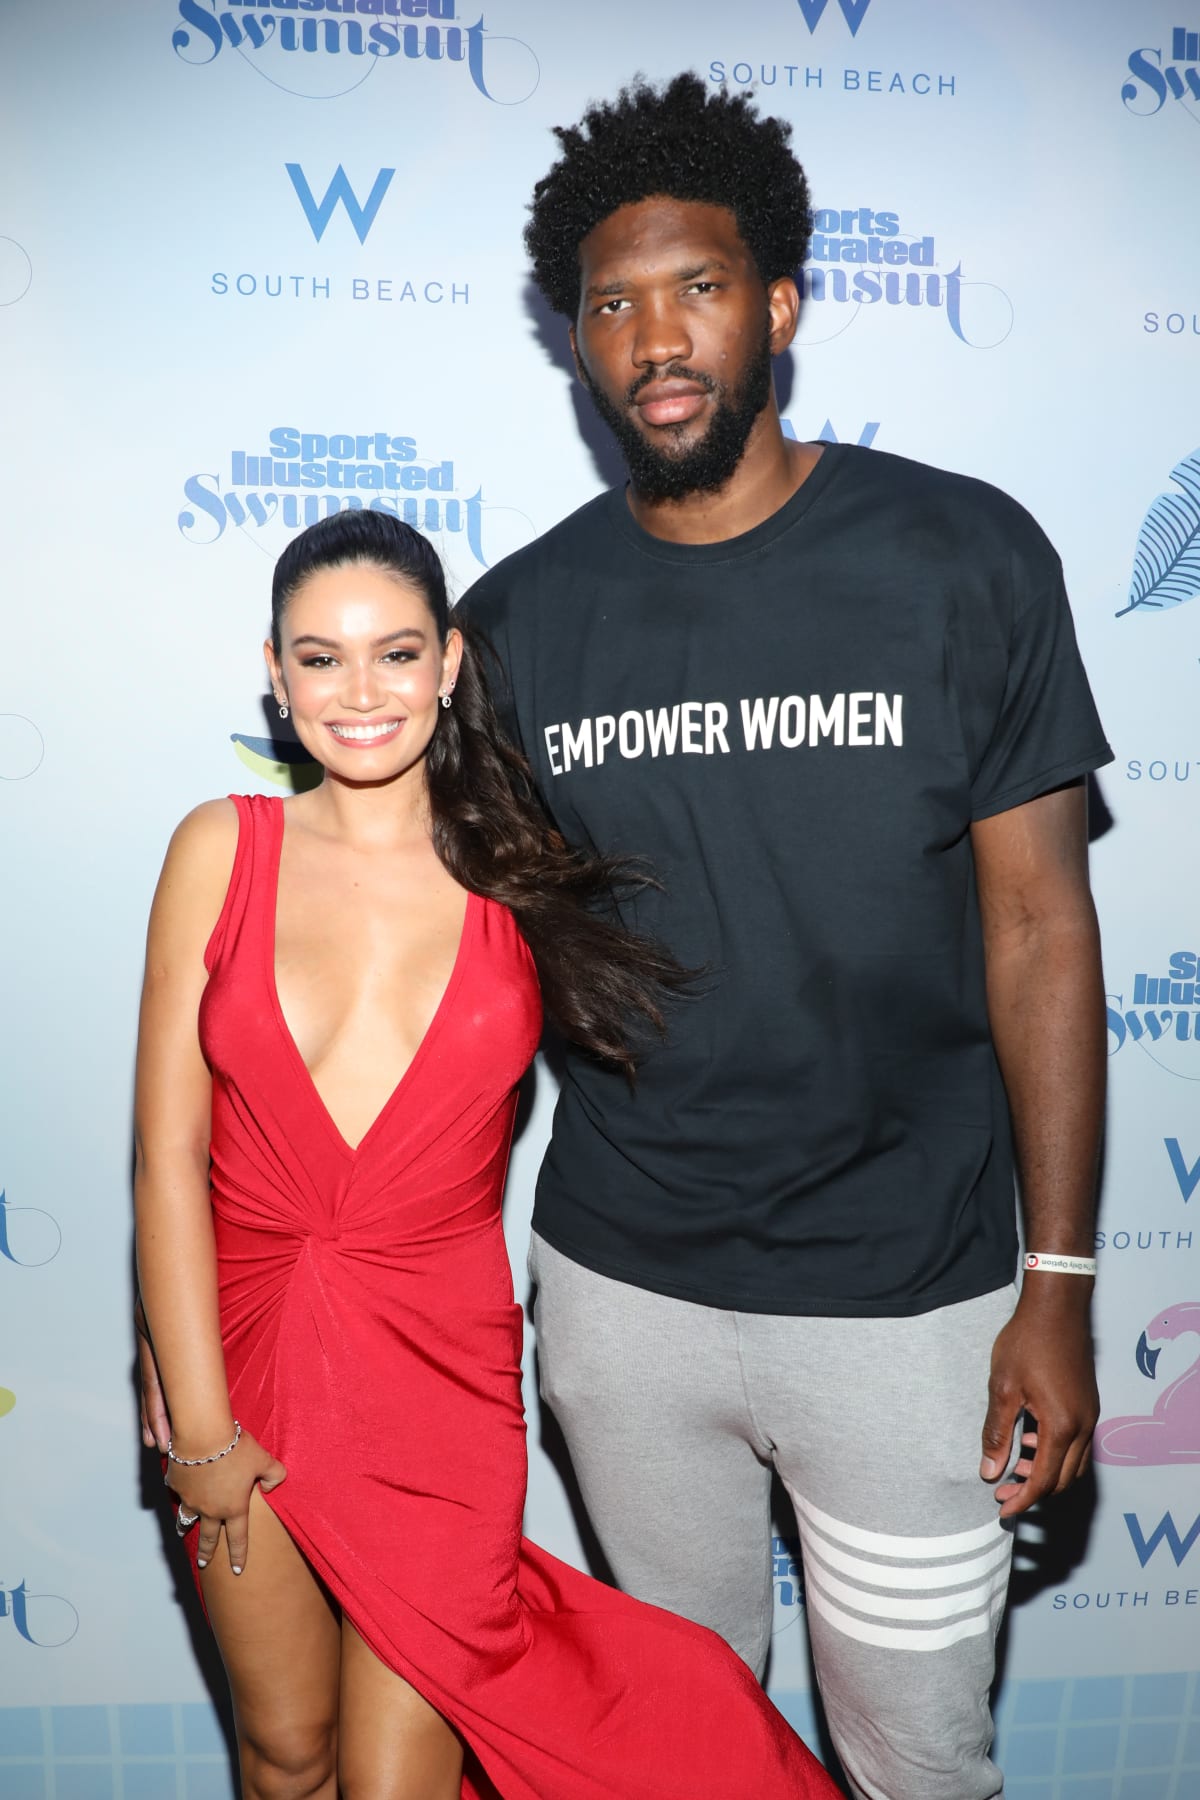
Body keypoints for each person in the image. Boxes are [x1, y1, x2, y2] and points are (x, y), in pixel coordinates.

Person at [454, 74, 1113, 1800]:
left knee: (917, 1763)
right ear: (579, 345)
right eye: (611, 304)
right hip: (622, 1298)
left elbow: (1043, 929)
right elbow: (446, 972)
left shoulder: (962, 556)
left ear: (782, 307)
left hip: (912, 1313)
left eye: (698, 288)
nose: (656, 337)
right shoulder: (516, 622)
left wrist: (1057, 1286)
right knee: (676, 1759)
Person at [133, 508, 841, 1800]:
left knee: (406, 1777)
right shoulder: (218, 850)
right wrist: (195, 1419)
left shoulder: (521, 879)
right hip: (239, 1362)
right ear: (274, 675)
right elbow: (165, 1158)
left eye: (396, 654)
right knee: (285, 1753)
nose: (361, 693)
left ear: (449, 664)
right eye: (322, 657)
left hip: (438, 1389)